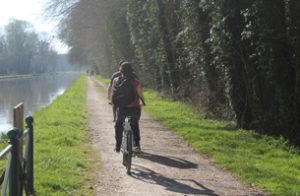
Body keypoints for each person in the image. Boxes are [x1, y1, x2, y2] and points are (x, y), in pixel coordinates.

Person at [112, 62, 144, 153]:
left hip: (122, 109)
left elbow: (113, 94)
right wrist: (141, 103)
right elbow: (140, 95)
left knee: (118, 125)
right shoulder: (136, 81)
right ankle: (137, 145)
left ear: (121, 71)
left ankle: (118, 146)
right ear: (131, 71)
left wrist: (113, 103)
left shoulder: (116, 80)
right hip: (134, 108)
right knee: (135, 124)